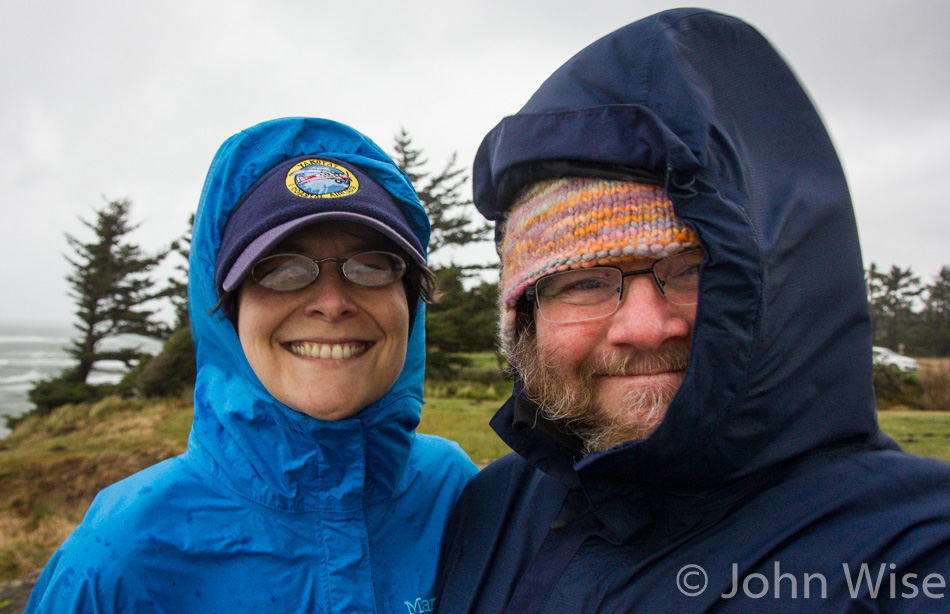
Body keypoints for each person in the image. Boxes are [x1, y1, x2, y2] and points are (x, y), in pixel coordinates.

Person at [436, 9, 950, 612]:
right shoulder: (490, 509)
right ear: (525, 314)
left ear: (784, 280)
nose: (645, 328)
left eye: (693, 269)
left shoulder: (910, 557)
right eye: (583, 283)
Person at [26, 117, 477, 613]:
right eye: (280, 268)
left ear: (411, 301)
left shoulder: (459, 496)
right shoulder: (118, 559)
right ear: (227, 311)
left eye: (372, 265)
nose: (332, 303)